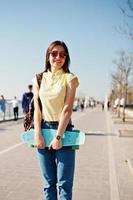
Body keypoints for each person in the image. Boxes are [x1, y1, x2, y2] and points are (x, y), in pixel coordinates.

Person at [33, 40, 79, 200]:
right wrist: (37, 133)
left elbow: (67, 108)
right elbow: (37, 109)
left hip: (64, 130)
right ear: (48, 56)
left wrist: (59, 136)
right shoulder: (39, 78)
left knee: (64, 185)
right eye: (54, 53)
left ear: (66, 58)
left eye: (62, 54)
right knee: (48, 184)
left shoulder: (70, 78)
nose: (58, 57)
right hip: (43, 129)